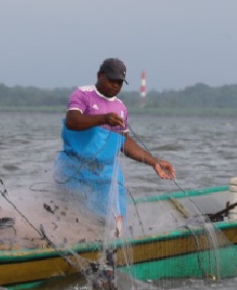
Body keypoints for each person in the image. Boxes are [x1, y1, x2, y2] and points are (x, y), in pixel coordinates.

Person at [54, 57, 175, 222]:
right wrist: (103, 119)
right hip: (74, 168)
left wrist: (154, 162)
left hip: (106, 173)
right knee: (71, 216)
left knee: (111, 219)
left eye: (119, 82)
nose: (115, 86)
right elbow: (72, 121)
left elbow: (124, 142)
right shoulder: (83, 94)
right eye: (112, 80)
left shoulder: (121, 108)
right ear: (99, 75)